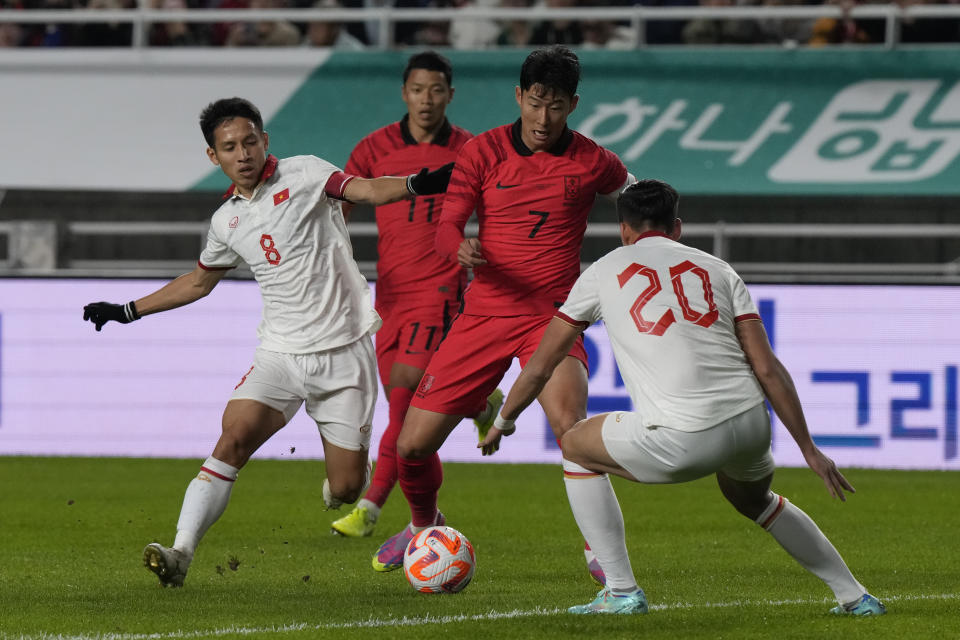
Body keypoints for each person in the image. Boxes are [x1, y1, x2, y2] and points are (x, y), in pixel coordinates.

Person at [81, 97, 453, 588]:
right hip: (278, 355)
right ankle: (180, 553)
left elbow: (363, 190)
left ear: (265, 140)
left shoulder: (307, 174)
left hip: (344, 353)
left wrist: (412, 185)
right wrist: (129, 310)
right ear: (214, 157)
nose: (243, 154)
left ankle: (348, 479)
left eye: (250, 141)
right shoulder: (226, 222)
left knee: (344, 488)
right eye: (230, 147)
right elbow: (197, 282)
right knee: (232, 439)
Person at [480, 179, 887, 616]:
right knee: (756, 501)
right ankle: (855, 596)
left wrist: (503, 419)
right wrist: (809, 450)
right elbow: (768, 368)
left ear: (623, 230)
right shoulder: (719, 269)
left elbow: (541, 364)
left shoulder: (602, 271)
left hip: (685, 436)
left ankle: (620, 591)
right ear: (676, 227)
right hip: (750, 423)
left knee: (576, 445)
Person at [372, 45, 636, 579]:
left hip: (553, 318)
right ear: (519, 97)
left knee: (571, 429)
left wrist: (639, 246)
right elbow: (449, 223)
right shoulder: (483, 151)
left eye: (556, 106)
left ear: (573, 105)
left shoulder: (593, 160)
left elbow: (633, 200)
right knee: (411, 446)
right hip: (483, 317)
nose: (543, 118)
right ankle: (424, 526)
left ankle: (599, 553)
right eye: (536, 103)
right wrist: (458, 246)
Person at [330, 52, 499, 541]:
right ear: (405, 93)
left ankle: (372, 506)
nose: (427, 100)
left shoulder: (470, 149)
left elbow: (494, 210)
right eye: (418, 90)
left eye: (437, 90)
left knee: (404, 401)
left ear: (450, 94)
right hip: (390, 296)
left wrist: (483, 255)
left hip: (442, 289)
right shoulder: (373, 148)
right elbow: (341, 211)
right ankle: (480, 401)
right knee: (409, 398)